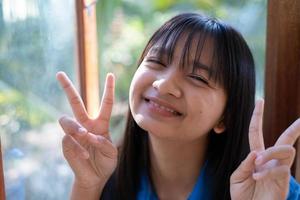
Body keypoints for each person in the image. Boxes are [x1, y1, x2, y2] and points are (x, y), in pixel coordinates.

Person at [56, 13, 300, 200]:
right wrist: (87, 186)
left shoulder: (269, 187)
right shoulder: (107, 173)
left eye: (198, 78)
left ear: (225, 117)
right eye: (157, 61)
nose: (163, 85)